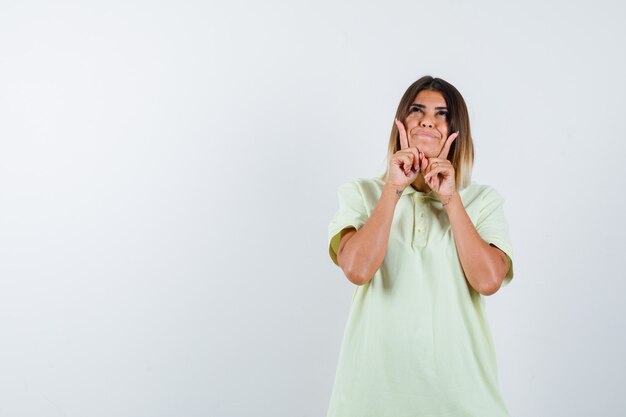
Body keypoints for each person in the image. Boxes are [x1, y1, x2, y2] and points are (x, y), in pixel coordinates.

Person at [326, 76, 515, 417]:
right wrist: (393, 188)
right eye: (417, 110)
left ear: (457, 130)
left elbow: (488, 281)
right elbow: (357, 269)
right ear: (401, 121)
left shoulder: (481, 201)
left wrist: (450, 199)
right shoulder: (361, 194)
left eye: (442, 113)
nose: (428, 119)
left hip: (464, 402)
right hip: (370, 402)